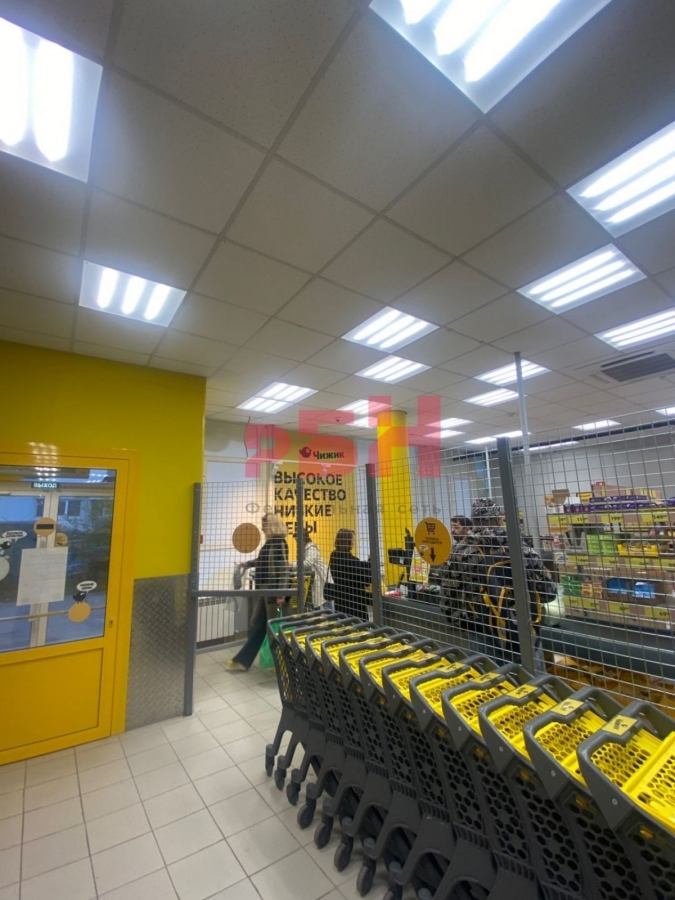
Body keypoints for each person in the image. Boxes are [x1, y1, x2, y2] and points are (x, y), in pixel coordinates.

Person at [226, 513, 289, 672]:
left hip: (271, 591)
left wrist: (280, 593)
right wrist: (246, 564)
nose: (262, 528)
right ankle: (246, 660)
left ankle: (273, 661)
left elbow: (283, 569)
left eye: (264, 525)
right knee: (259, 625)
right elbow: (262, 562)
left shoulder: (279, 543)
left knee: (267, 626)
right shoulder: (270, 543)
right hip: (264, 590)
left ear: (271, 525)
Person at [329, 528, 371, 619]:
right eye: (352, 540)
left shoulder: (333, 555)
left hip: (340, 600)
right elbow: (366, 580)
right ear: (347, 542)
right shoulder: (351, 560)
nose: (353, 542)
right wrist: (370, 562)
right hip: (355, 604)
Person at [293, 529, 333, 610]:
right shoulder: (305, 549)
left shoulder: (311, 548)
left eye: (297, 540)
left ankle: (332, 617)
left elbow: (308, 563)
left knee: (324, 603)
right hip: (316, 580)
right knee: (318, 602)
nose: (297, 543)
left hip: (321, 580)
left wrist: (292, 565)